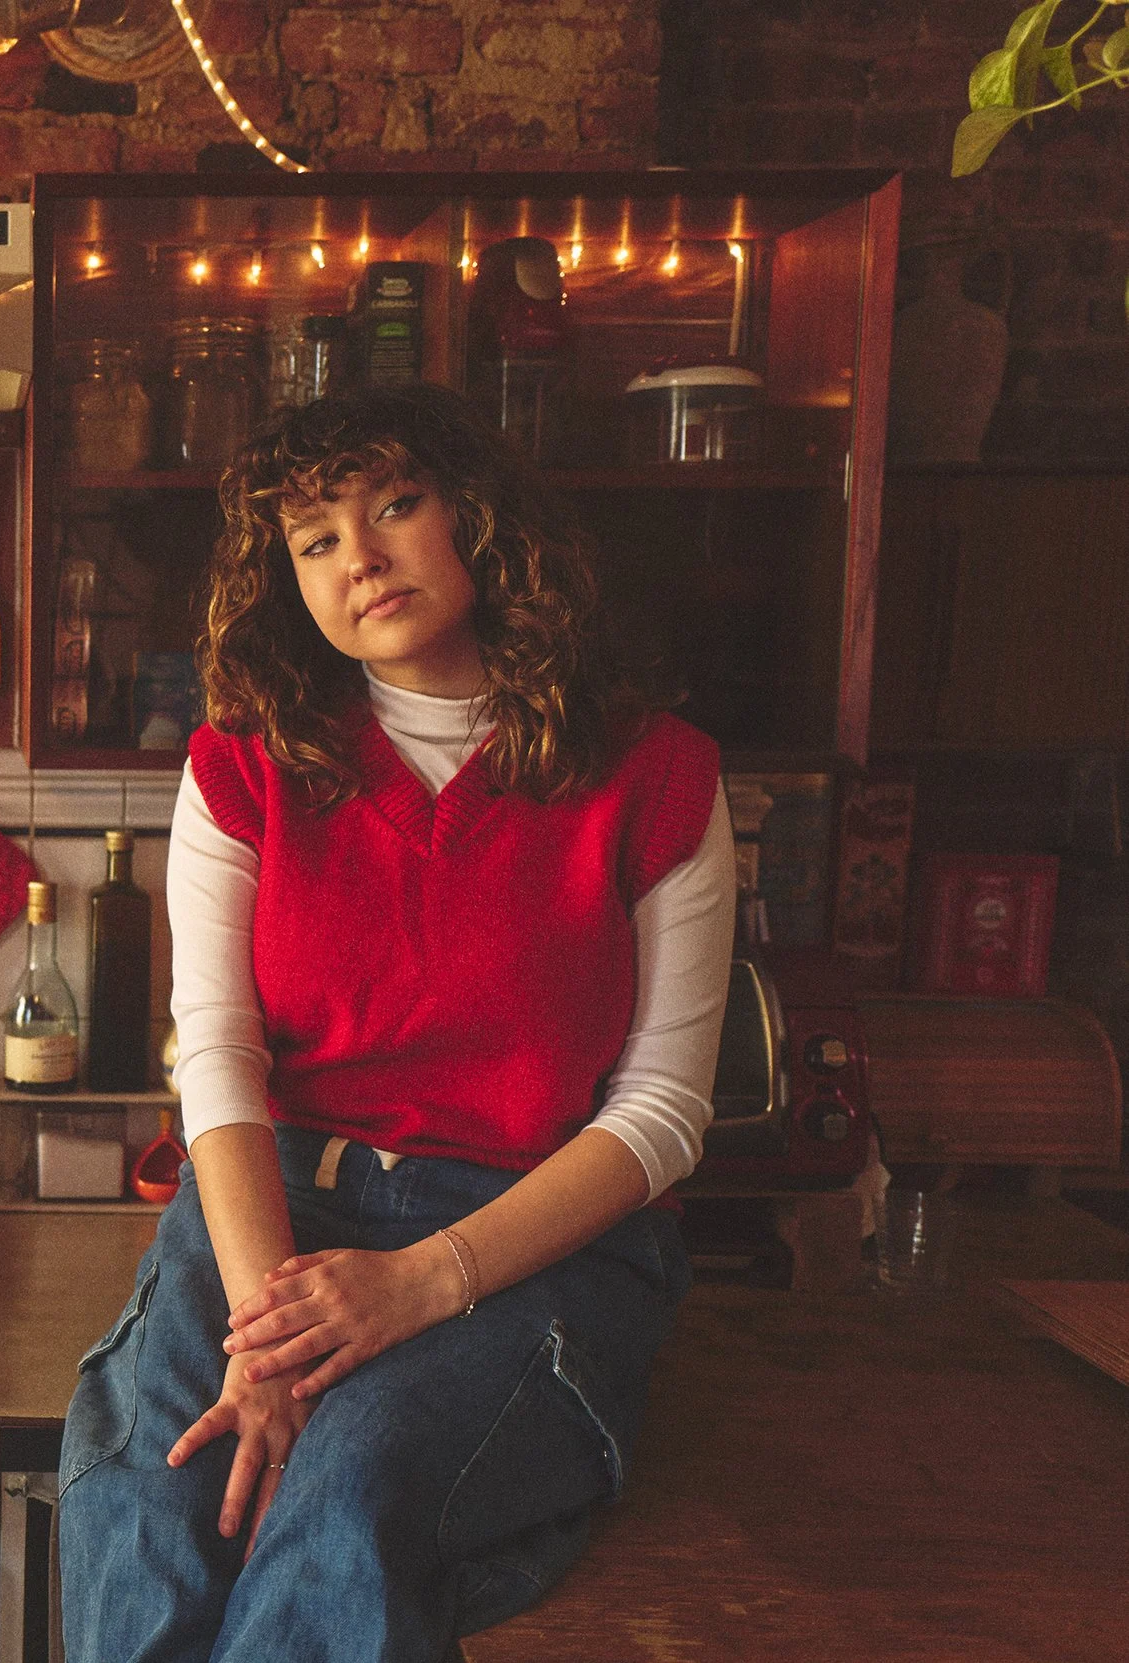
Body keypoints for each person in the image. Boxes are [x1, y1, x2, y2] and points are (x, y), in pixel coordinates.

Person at [58, 383, 735, 1662]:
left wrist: (419, 1284)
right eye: (314, 540)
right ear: (289, 582)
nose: (357, 556)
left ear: (476, 519)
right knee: (156, 1503)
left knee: (343, 1490)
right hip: (273, 1214)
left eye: (394, 506)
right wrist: (267, 1333)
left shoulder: (657, 773)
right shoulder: (243, 764)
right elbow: (217, 1057)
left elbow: (661, 1115)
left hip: (528, 1240)